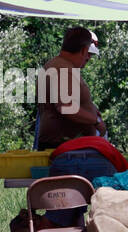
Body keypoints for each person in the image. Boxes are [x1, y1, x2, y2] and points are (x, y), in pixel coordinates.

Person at [38, 27, 114, 183]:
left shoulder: (59, 66)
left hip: (67, 150)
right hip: (66, 152)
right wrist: (95, 120)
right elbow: (66, 107)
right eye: (88, 54)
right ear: (84, 49)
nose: (88, 58)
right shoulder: (62, 69)